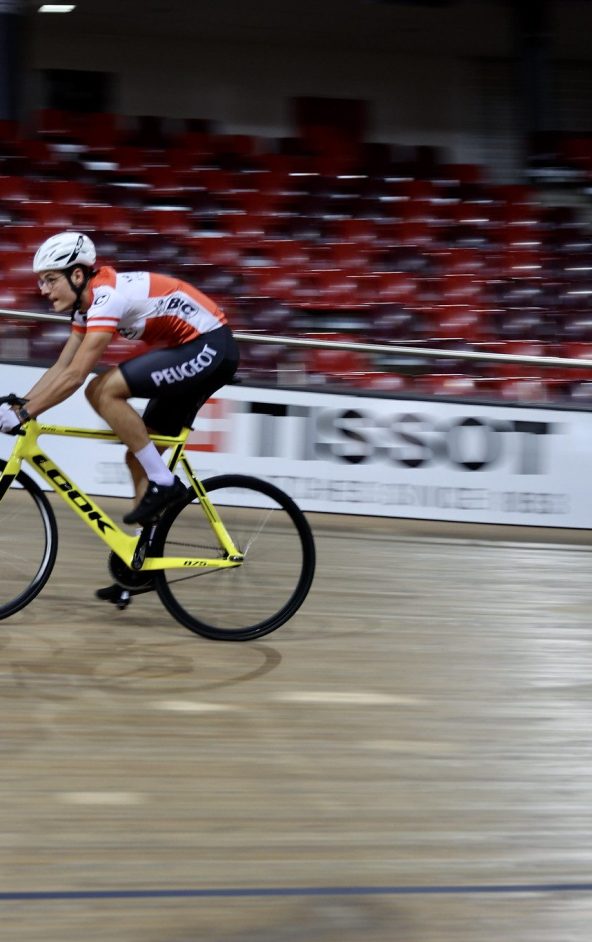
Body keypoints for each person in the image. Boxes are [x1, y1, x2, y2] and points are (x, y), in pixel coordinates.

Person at [0, 230, 239, 602]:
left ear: (77, 276)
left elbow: (77, 377)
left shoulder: (106, 297)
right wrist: (21, 406)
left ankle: (164, 483)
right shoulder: (86, 306)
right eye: (40, 281)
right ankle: (141, 565)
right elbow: (61, 366)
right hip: (190, 349)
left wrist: (28, 411)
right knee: (137, 456)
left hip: (209, 346)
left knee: (103, 389)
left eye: (49, 279)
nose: (43, 290)